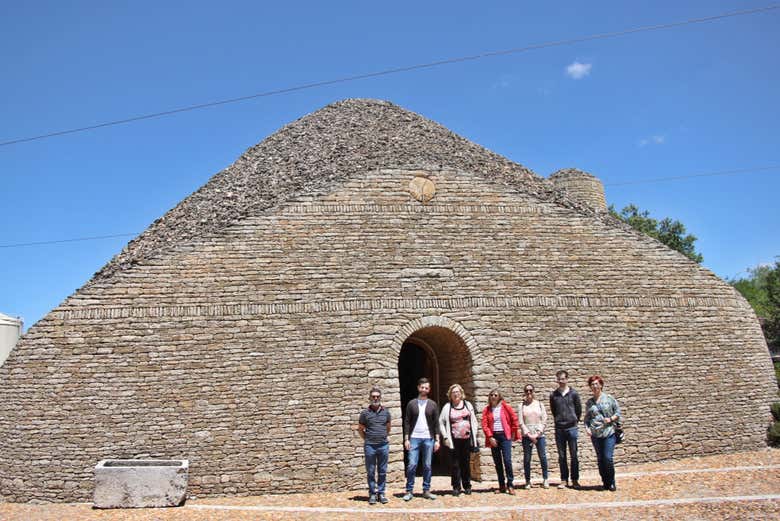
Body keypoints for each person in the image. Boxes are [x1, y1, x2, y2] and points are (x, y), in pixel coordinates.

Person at [403, 377, 440, 501]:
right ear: (418, 388)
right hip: (414, 438)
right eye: (422, 387)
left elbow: (436, 424)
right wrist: (406, 439)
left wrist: (437, 440)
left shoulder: (433, 404)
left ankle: (426, 490)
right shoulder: (411, 404)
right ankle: (409, 490)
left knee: (427, 465)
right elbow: (407, 422)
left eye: (426, 388)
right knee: (412, 464)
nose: (424, 389)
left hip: (428, 438)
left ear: (429, 390)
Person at [438, 383, 479, 496]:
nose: (456, 394)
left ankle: (467, 485)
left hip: (466, 438)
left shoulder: (467, 405)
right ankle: (456, 486)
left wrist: (474, 434)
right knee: (455, 464)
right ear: (450, 395)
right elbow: (441, 422)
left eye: (457, 392)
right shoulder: (447, 407)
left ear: (461, 394)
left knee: (465, 463)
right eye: (453, 393)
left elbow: (474, 420)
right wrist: (445, 436)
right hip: (454, 440)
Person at [583, 375, 622, 492]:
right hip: (595, 434)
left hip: (608, 432)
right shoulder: (589, 402)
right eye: (592, 384)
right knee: (600, 459)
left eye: (596, 384)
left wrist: (610, 419)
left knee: (607, 458)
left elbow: (618, 412)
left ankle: (611, 482)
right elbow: (587, 418)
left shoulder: (609, 398)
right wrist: (587, 429)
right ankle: (605, 481)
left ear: (601, 385)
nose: (595, 386)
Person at [481, 389, 520, 494]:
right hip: (494, 437)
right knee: (497, 463)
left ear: (499, 397)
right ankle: (501, 485)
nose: (493, 396)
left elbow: (514, 419)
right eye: (492, 395)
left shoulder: (505, 407)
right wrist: (490, 437)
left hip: (505, 436)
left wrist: (513, 432)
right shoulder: (487, 410)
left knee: (507, 461)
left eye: (496, 395)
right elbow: (484, 424)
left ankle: (510, 485)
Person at [358, 386, 391, 505]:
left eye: (377, 396)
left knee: (382, 471)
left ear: (380, 398)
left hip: (383, 445)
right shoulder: (365, 413)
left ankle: (381, 493)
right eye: (373, 396)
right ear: (370, 398)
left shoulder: (386, 412)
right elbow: (360, 429)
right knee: (371, 471)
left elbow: (388, 427)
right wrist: (367, 439)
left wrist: (383, 436)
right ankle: (372, 493)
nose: (375, 398)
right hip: (370, 446)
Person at [549, 369, 582, 489]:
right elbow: (554, 411)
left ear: (567, 379)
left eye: (563, 379)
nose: (561, 381)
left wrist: (574, 420)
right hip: (559, 429)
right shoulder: (554, 395)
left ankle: (574, 479)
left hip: (572, 428)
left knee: (574, 455)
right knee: (562, 456)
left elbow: (578, 410)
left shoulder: (574, 394)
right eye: (559, 379)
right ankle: (564, 479)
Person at [519, 384, 549, 489]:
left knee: (543, 456)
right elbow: (521, 422)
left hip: (539, 434)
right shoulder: (521, 406)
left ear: (533, 391)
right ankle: (527, 480)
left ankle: (545, 479)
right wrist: (528, 434)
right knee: (527, 458)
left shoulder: (540, 404)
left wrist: (538, 433)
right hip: (527, 435)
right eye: (527, 391)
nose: (529, 393)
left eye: (530, 390)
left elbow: (544, 419)